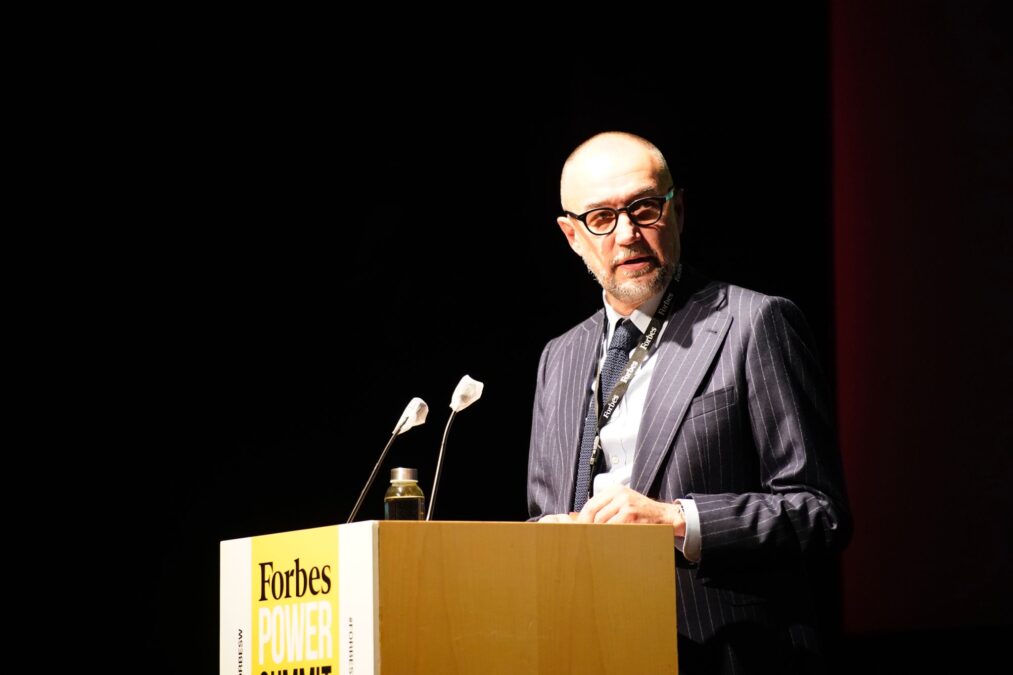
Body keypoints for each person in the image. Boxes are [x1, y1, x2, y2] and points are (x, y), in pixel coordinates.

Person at [527, 131, 851, 674]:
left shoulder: (754, 323)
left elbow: (820, 513)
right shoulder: (558, 357)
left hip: (724, 652)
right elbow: (542, 516)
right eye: (601, 219)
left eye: (644, 208)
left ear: (678, 212)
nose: (627, 234)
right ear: (571, 235)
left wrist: (678, 520)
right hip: (587, 645)